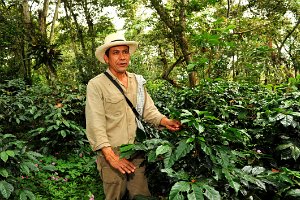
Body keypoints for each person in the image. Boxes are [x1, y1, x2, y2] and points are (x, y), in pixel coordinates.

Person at [85, 32, 181, 200]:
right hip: (112, 153)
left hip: (137, 151)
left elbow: (147, 110)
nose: (122, 57)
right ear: (106, 58)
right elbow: (95, 123)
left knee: (141, 195)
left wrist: (165, 121)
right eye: (116, 53)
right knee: (115, 196)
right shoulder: (96, 84)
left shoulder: (137, 81)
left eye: (125, 52)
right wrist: (111, 157)